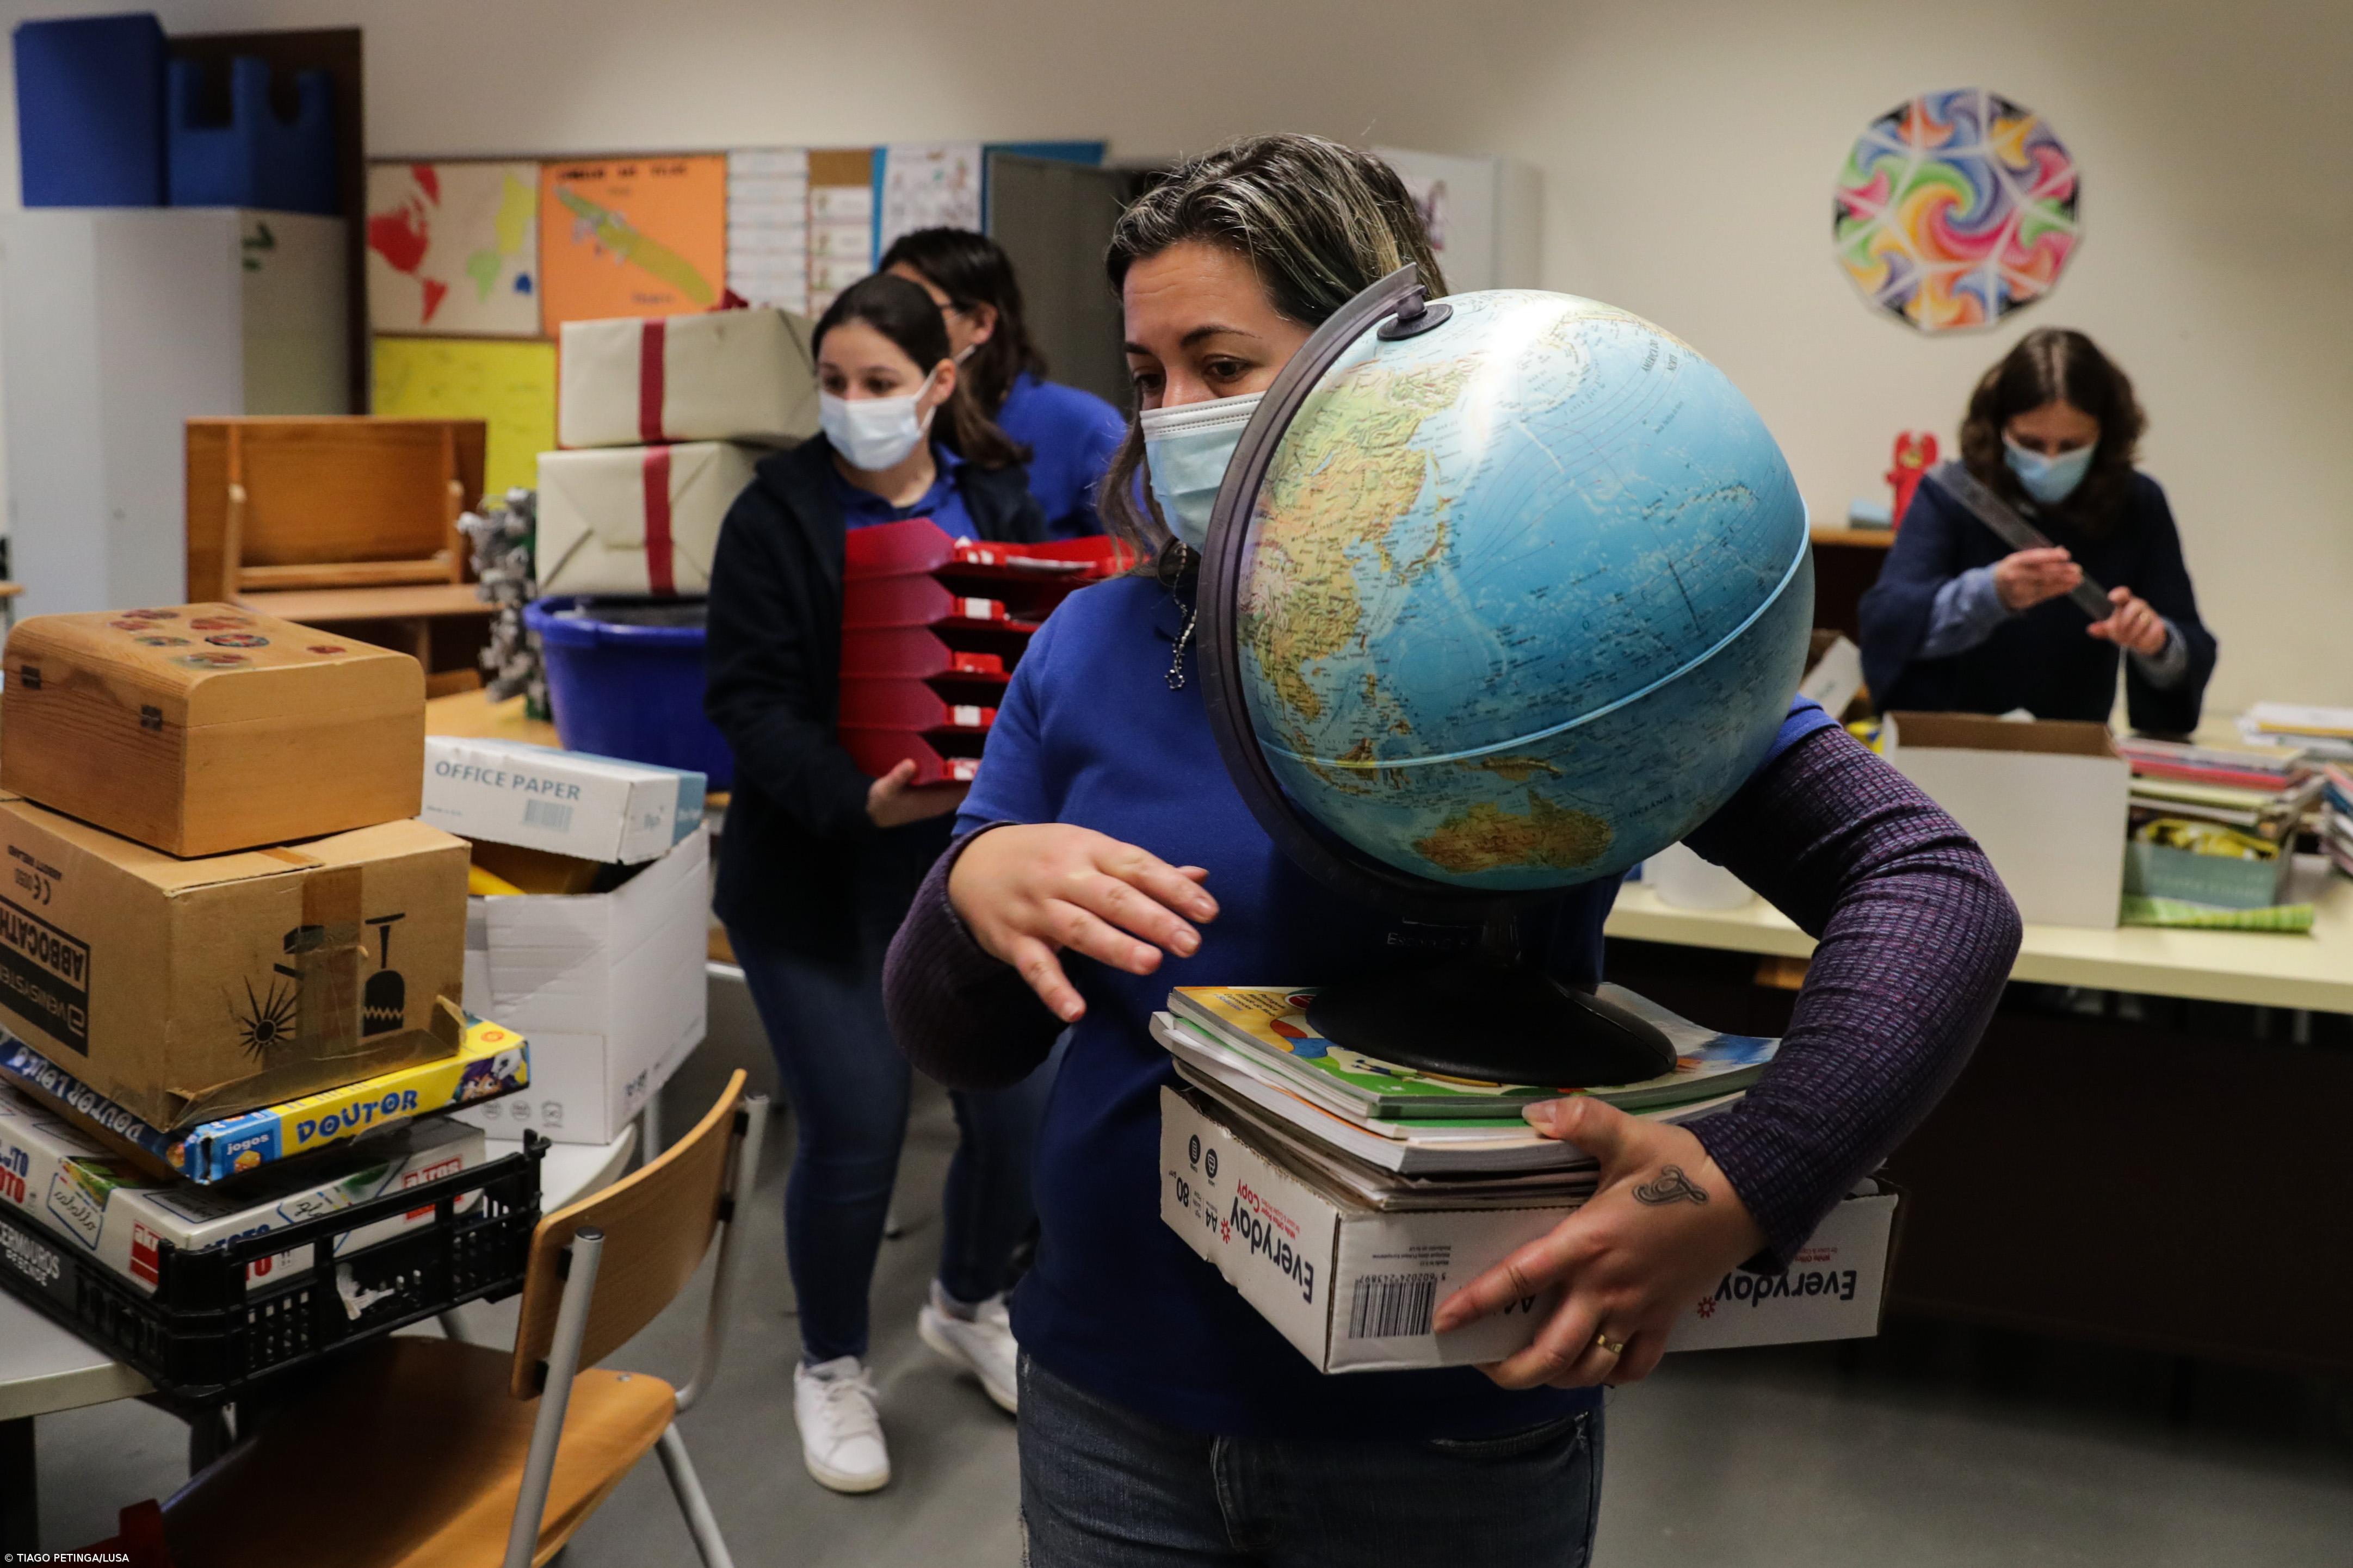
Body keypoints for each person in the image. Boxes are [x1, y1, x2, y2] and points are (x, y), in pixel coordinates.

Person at [881, 134, 2022, 1565]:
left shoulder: (1538, 629)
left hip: (1443, 1423)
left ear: (1370, 359)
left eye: (1223, 368)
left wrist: (1742, 1186)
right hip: (1114, 1403)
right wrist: (966, 894)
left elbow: (1930, 888)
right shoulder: (1090, 645)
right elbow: (957, 1042)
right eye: (1146, 374)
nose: (1172, 418)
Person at [704, 271, 1057, 1495]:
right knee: (853, 1127)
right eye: (834, 384)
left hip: (963, 866)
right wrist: (853, 796)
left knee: (1014, 1109)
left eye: (880, 384)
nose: (853, 406)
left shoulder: (999, 495)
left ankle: (967, 1303)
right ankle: (830, 1364)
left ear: (939, 382)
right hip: (810, 875)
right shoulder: (773, 513)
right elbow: (745, 700)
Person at [1858, 328, 2217, 735]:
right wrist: (1990, 594)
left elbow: (2190, 645)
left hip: (2074, 754)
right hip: (1949, 746)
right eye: (2030, 442)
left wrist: (2156, 644)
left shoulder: (2138, 503)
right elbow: (1886, 627)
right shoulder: (1952, 493)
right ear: (1998, 428)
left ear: (2104, 434)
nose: (2049, 461)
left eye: (2070, 446)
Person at [882, 226, 1127, 540]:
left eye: (915, 310)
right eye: (885, 309)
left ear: (982, 322)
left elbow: (1138, 566)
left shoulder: (1083, 426)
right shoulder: (887, 424)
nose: (893, 328)